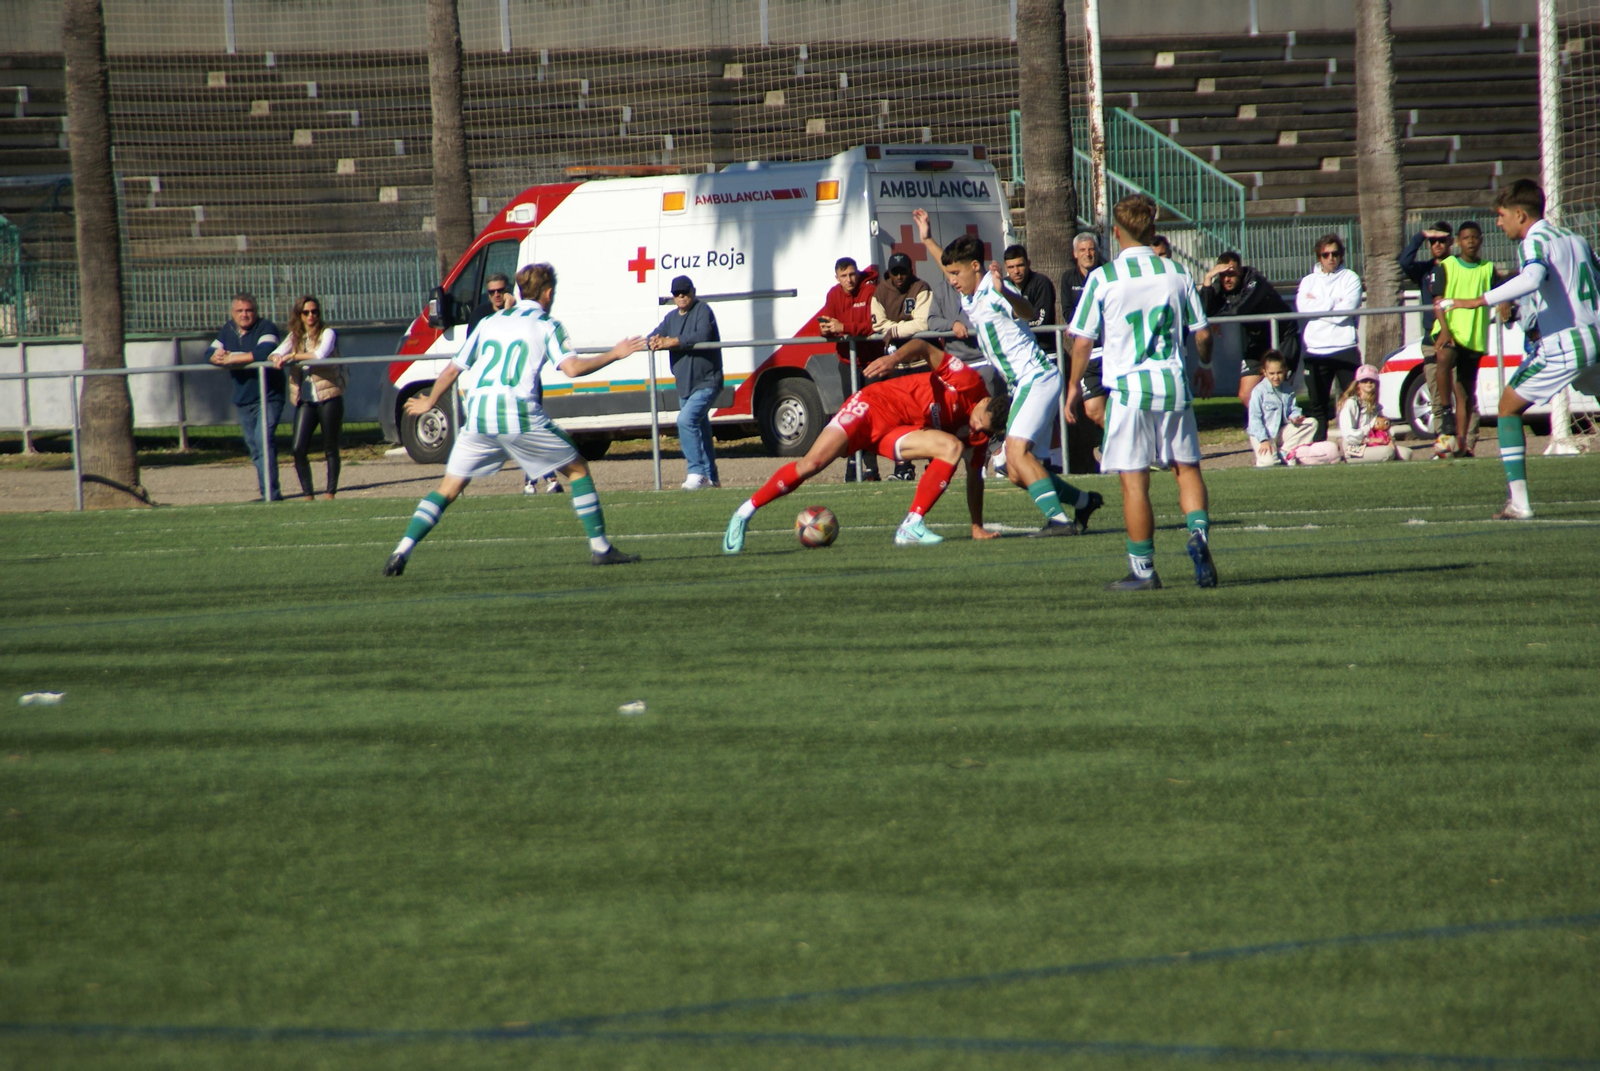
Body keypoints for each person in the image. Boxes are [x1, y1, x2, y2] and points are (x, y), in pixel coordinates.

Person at [383, 263, 646, 576]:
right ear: (548, 292)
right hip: (517, 414)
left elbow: (453, 369)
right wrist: (615, 353)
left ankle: (402, 550)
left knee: (448, 488)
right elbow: (572, 369)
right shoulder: (546, 324)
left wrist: (429, 400)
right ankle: (601, 549)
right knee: (577, 469)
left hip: (479, 417)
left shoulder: (490, 322)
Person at [912, 207, 1102, 536]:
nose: (952, 280)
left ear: (975, 267)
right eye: (950, 273)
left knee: (1015, 452)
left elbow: (1027, 311)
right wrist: (927, 240)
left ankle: (1059, 522)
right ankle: (1083, 501)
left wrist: (1006, 293)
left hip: (1036, 377)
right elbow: (951, 266)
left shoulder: (994, 289)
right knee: (1015, 470)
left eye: (956, 273)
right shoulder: (971, 289)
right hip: (1025, 383)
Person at [1068, 194, 1217, 591]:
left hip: (1129, 391)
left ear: (1116, 233)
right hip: (1173, 385)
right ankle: (1199, 536)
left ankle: (1144, 570)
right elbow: (1203, 335)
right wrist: (1204, 365)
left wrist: (1072, 389)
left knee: (1134, 482)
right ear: (1152, 230)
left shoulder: (1104, 277)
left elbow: (1081, 341)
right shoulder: (1176, 272)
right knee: (1187, 469)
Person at [722, 347, 1007, 552]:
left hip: (898, 431)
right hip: (872, 406)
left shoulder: (979, 434)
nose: (977, 430)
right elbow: (923, 346)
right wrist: (894, 359)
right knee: (812, 464)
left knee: (951, 446)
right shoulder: (968, 382)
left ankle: (911, 525)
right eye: (979, 423)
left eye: (984, 431)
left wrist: (976, 526)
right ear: (984, 402)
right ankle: (744, 513)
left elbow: (975, 478)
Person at [1435, 179, 1600, 520]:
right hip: (1596, 337)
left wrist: (1476, 301)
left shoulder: (1534, 241)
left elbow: (1532, 278)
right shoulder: (1575, 239)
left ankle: (1520, 504)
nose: (1498, 223)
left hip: (1566, 344)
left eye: (1501, 215)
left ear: (1520, 215)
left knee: (1507, 408)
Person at [208, 292, 285, 501]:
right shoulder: (228, 330)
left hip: (268, 396)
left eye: (249, 310)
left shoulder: (266, 327)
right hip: (243, 399)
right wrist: (217, 357)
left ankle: (271, 493)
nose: (244, 314)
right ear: (232, 313)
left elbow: (264, 352)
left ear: (256, 311)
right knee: (254, 446)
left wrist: (231, 358)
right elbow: (210, 353)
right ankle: (267, 491)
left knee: (263, 441)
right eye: (240, 311)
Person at [1428, 221, 1496, 458]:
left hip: (1473, 336)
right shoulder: (1447, 266)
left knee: (1465, 393)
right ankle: (1445, 411)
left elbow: (1501, 291)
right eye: (1466, 238)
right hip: (1450, 329)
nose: (1471, 242)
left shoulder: (1488, 268)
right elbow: (1438, 301)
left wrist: (1506, 302)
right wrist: (1444, 329)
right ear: (1458, 241)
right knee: (1443, 359)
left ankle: (1460, 444)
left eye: (1475, 238)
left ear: (1481, 241)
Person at [649, 274, 723, 490]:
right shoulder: (671, 318)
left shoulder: (703, 310)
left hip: (707, 381)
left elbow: (703, 334)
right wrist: (653, 340)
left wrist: (672, 341)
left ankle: (696, 472)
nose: (681, 296)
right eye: (677, 293)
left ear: (693, 292)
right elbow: (655, 335)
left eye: (685, 292)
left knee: (685, 421)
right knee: (701, 430)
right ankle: (712, 479)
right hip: (684, 385)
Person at [269, 295, 345, 501]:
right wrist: (277, 357)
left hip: (329, 396)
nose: (311, 316)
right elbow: (276, 353)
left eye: (314, 312)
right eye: (306, 312)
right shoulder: (295, 337)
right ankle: (308, 494)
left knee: (330, 447)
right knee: (298, 448)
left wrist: (292, 356)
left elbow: (320, 355)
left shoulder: (327, 333)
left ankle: (330, 493)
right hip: (306, 400)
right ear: (299, 315)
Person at [818, 256, 883, 481]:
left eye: (852, 274)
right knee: (850, 415)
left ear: (858, 273)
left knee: (870, 415)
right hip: (847, 362)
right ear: (836, 277)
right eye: (844, 276)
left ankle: (872, 468)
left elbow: (875, 325)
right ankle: (853, 464)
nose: (849, 279)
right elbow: (827, 321)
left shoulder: (870, 291)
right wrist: (826, 330)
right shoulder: (833, 294)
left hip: (872, 363)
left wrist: (844, 327)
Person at [871, 251, 934, 480]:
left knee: (928, 416)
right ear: (889, 273)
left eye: (903, 272)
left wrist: (895, 329)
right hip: (895, 367)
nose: (899, 277)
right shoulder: (880, 292)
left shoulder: (921, 288)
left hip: (921, 363)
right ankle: (903, 468)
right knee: (899, 419)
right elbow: (878, 325)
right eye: (895, 272)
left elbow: (923, 323)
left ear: (910, 271)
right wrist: (902, 327)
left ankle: (934, 465)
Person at [1200, 250, 1293, 406]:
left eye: (1231, 274)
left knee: (1279, 392)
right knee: (1246, 394)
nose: (1227, 279)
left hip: (1281, 336)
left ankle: (1282, 420)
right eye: (1222, 275)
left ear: (1240, 271)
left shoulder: (1255, 280)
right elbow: (1203, 313)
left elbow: (1240, 310)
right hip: (1255, 342)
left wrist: (1217, 317)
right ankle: (1263, 421)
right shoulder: (1221, 283)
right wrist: (1208, 279)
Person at [1296, 234, 1363, 442]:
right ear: (1319, 257)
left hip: (1345, 348)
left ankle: (1356, 443)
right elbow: (1303, 309)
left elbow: (1345, 313)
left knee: (1353, 401)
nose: (1331, 258)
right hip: (1316, 351)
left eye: (1335, 254)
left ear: (1341, 255)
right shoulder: (1308, 281)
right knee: (1317, 404)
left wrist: (1318, 305)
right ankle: (1319, 447)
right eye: (1326, 255)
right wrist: (1334, 301)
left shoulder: (1351, 278)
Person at [1061, 232, 1109, 428]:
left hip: (1110, 350)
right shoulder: (1068, 278)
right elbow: (1067, 311)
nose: (1087, 254)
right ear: (1075, 253)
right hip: (1086, 353)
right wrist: (1082, 324)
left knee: (1119, 405)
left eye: (1091, 249)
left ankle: (1123, 441)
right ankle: (1121, 439)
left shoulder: (1107, 274)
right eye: (1082, 250)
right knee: (1093, 410)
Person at [1246, 350, 1315, 466]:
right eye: (1272, 373)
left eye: (1279, 373)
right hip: (1264, 433)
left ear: (1285, 371)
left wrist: (1295, 417)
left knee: (1312, 423)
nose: (1276, 377)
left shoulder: (1288, 389)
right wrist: (1263, 440)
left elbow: (1293, 408)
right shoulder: (1258, 391)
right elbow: (1254, 419)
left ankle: (1284, 452)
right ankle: (1267, 457)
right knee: (1269, 463)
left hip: (1281, 432)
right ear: (1264, 372)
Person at [1335, 365, 1410, 463]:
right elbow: (1348, 434)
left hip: (1373, 444)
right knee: (1387, 452)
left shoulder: (1376, 406)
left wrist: (1389, 440)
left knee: (1406, 453)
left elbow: (1382, 428)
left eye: (1372, 380)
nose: (1368, 383)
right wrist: (1369, 440)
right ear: (1358, 384)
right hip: (1354, 447)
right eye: (1364, 380)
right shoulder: (1351, 403)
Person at [1002, 243, 1058, 351]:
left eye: (1020, 265)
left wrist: (1013, 325)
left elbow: (1041, 321)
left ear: (1028, 264)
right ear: (1006, 268)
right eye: (1011, 267)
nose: (1016, 271)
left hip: (1042, 350)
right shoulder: (1004, 286)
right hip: (1014, 351)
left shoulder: (1041, 282)